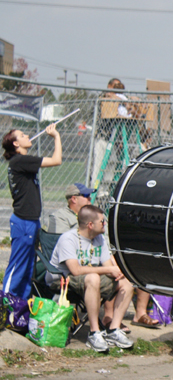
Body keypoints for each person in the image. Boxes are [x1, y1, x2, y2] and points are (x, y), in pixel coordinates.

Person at [46, 205, 134, 352]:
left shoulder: (99, 238)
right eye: (102, 221)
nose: (104, 224)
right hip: (63, 280)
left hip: (89, 279)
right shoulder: (68, 239)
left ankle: (113, 329)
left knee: (127, 282)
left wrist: (118, 272)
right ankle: (94, 332)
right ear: (90, 225)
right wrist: (108, 269)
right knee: (93, 278)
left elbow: (108, 266)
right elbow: (75, 270)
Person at [2, 125, 63, 300]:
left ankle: (19, 307)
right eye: (22, 135)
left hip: (31, 222)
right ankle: (4, 305)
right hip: (24, 223)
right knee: (17, 267)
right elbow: (56, 160)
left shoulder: (22, 161)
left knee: (28, 268)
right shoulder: (19, 160)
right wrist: (56, 136)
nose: (27, 135)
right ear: (15, 143)